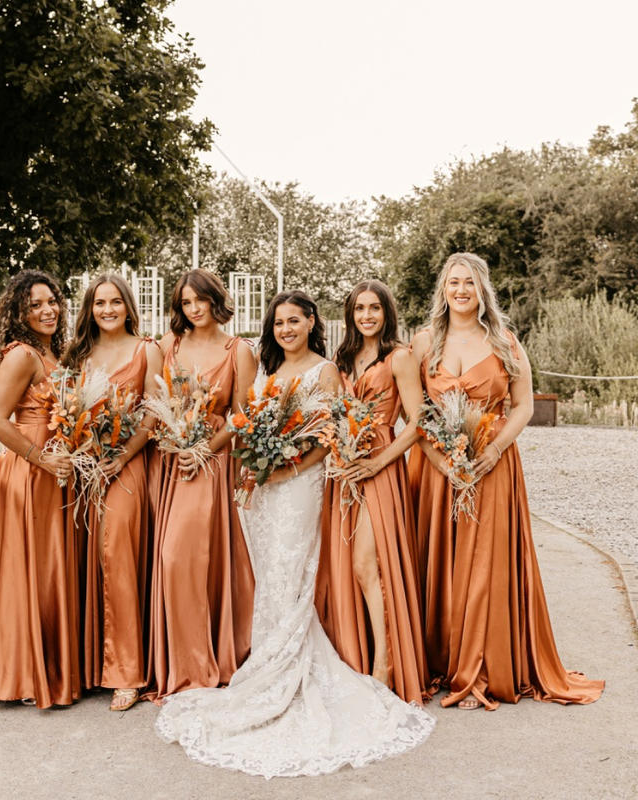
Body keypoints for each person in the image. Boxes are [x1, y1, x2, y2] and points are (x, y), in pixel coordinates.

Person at [155, 290, 434, 778]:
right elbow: (248, 426)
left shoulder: (325, 370)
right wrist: (253, 470)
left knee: (290, 572)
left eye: (294, 321)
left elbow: (325, 437)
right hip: (262, 489)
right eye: (278, 322)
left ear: (311, 323)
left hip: (300, 487)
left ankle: (287, 673)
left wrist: (286, 470)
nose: (285, 329)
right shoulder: (264, 369)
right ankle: (265, 663)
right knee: (269, 578)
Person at [410, 252, 604, 710]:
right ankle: (440, 660)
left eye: (470, 284)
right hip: (438, 467)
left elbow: (523, 405)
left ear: (483, 292)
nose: (461, 290)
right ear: (442, 289)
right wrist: (440, 461)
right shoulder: (422, 343)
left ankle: (478, 669)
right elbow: (412, 410)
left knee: (485, 567)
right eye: (453, 282)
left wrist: (494, 450)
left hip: (491, 467)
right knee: (440, 562)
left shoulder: (504, 342)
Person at [0, 269, 81, 709]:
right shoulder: (21, 355)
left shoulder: (51, 352)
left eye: (51, 301)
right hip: (29, 471)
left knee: (49, 568)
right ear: (19, 312)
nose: (47, 310)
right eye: (35, 305)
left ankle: (48, 667)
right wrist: (41, 459)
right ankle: (25, 673)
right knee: (31, 570)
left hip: (52, 470)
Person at [318, 280, 430, 704]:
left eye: (374, 308)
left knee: (368, 562)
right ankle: (354, 655)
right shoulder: (342, 359)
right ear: (350, 315)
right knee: (344, 564)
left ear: (387, 313)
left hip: (380, 465)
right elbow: (329, 414)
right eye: (359, 309)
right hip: (344, 467)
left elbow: (418, 422)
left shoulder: (399, 358)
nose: (366, 316)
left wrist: (379, 463)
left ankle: (385, 664)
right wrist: (338, 452)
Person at [150, 269, 256, 699]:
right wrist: (178, 445)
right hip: (173, 461)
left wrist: (205, 449)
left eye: (201, 300)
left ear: (217, 300)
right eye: (186, 303)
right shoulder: (166, 346)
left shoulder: (239, 350)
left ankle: (214, 657)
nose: (194, 309)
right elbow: (152, 404)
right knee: (174, 558)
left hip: (214, 460)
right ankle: (184, 663)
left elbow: (241, 414)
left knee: (205, 559)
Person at [61, 273, 161, 712]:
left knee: (118, 555)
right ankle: (88, 665)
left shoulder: (147, 350)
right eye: (99, 303)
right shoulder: (79, 353)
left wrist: (121, 458)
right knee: (84, 559)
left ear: (128, 306)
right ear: (90, 308)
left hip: (128, 465)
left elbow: (153, 416)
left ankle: (128, 672)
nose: (107, 310)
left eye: (115, 302)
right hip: (86, 467)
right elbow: (64, 407)